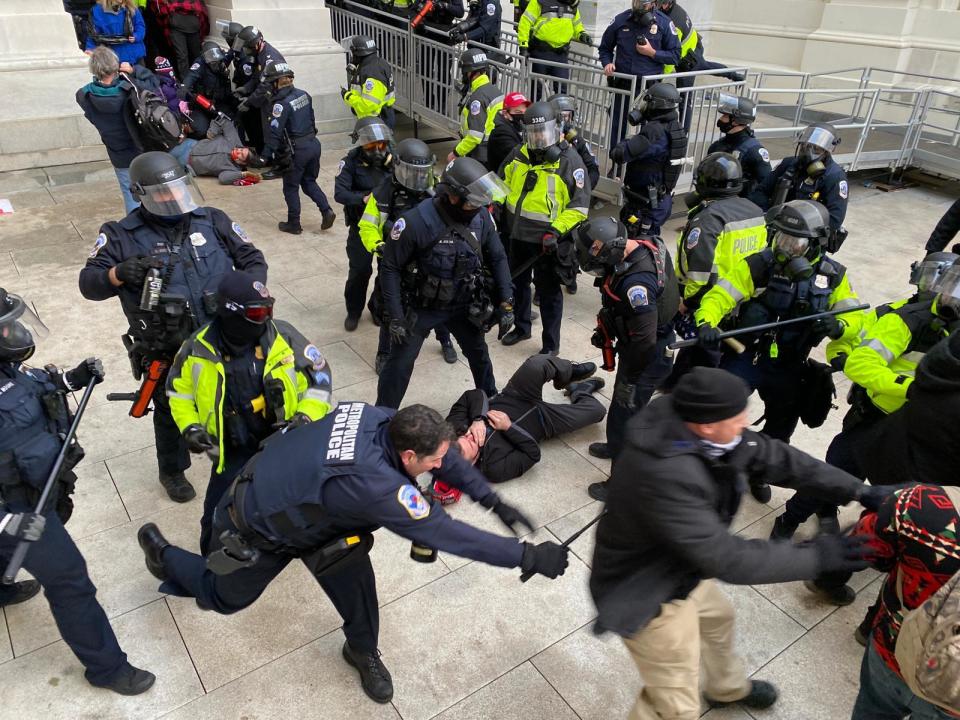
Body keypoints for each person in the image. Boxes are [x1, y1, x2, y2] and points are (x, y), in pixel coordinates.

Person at [137, 403, 569, 703]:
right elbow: (446, 533)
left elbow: (444, 455)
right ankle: (164, 555)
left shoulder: (381, 418)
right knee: (223, 597)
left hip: (322, 517)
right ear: (407, 455)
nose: (440, 465)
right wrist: (526, 556)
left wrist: (491, 501)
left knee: (358, 588)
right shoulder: (378, 487)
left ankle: (361, 651)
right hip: (259, 524)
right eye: (431, 460)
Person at [589, 366, 888, 720]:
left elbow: (777, 457)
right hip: (644, 589)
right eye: (737, 415)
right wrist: (819, 556)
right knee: (674, 705)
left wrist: (858, 490)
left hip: (680, 566)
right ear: (706, 426)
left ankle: (726, 689)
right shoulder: (662, 474)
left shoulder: (710, 432)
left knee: (719, 620)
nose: (745, 420)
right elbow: (727, 558)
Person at [79, 151, 268, 503]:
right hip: (168, 343)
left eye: (177, 189)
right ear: (141, 194)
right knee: (170, 411)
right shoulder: (120, 235)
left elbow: (252, 259)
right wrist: (116, 274)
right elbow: (88, 284)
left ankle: (240, 454)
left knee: (236, 396)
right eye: (162, 193)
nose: (172, 198)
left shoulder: (211, 219)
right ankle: (172, 469)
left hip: (222, 336)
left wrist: (251, 298)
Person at [0, 289, 155, 695]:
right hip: (17, 507)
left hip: (38, 486)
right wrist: (8, 520)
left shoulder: (8, 369)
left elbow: (34, 389)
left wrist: (72, 379)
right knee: (70, 580)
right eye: (5, 328)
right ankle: (107, 668)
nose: (15, 332)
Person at [166, 271, 335, 553]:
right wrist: (190, 427)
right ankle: (210, 563)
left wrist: (306, 416)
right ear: (230, 313)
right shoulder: (196, 349)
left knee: (297, 505)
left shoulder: (286, 337)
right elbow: (178, 393)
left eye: (269, 309)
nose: (266, 319)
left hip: (284, 442)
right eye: (257, 313)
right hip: (233, 450)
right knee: (217, 514)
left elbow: (321, 380)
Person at [694, 200, 864, 444]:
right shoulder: (759, 265)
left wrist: (839, 327)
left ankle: (759, 475)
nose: (785, 249)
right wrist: (706, 323)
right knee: (716, 408)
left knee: (781, 428)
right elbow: (719, 296)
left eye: (796, 243)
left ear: (816, 243)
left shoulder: (834, 277)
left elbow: (855, 316)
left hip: (791, 364)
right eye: (782, 239)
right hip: (748, 355)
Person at [375, 157, 515, 409]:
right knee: (399, 364)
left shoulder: (482, 218)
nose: (478, 206)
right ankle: (381, 415)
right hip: (421, 307)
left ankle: (492, 403)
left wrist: (506, 301)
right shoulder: (415, 221)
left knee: (479, 355)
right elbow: (390, 268)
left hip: (463, 304)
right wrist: (395, 316)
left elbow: (497, 257)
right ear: (452, 196)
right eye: (473, 200)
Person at [573, 218, 680, 486]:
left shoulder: (637, 285)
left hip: (648, 355)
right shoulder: (643, 244)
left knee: (626, 414)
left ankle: (621, 480)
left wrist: (631, 379)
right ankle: (615, 446)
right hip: (644, 346)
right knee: (621, 411)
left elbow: (644, 340)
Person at [848, 482, 960, 720]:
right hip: (954, 699)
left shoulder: (925, 502)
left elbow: (865, 546)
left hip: (893, 652)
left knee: (872, 710)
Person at [358, 138, 460, 371]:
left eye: (422, 173)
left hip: (428, 258)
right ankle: (384, 352)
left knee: (437, 301)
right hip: (394, 260)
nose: (417, 179)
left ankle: (445, 341)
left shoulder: (435, 189)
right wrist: (378, 246)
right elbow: (367, 226)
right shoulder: (384, 193)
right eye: (412, 172)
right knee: (388, 305)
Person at [667, 152, 767, 388]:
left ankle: (684, 394)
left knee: (699, 360)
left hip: (709, 304)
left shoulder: (709, 220)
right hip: (741, 301)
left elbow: (700, 275)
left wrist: (686, 304)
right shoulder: (755, 211)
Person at [499, 102, 590, 354]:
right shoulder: (518, 154)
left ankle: (551, 345)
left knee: (549, 295)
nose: (538, 138)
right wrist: (494, 206)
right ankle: (521, 327)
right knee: (517, 285)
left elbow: (579, 207)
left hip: (549, 243)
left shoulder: (570, 161)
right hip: (518, 236)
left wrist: (556, 232)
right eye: (533, 133)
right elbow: (501, 183)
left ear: (555, 129)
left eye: (543, 132)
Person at [446, 355, 605, 485]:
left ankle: (568, 372)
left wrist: (478, 419)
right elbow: (532, 454)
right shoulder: (493, 469)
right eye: (472, 444)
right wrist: (509, 428)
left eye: (465, 437)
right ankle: (580, 391)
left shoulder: (452, 429)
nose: (471, 436)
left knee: (536, 364)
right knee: (597, 411)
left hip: (515, 394)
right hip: (544, 421)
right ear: (472, 463)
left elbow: (474, 395)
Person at [258, 61, 338, 235]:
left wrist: (264, 156)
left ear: (276, 83)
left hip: (297, 150)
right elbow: (312, 120)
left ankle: (294, 224)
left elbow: (275, 134)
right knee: (309, 181)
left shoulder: (281, 105)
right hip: (313, 145)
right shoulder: (304, 95)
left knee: (290, 187)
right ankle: (326, 210)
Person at [334, 117, 394, 331]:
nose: (377, 150)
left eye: (381, 144)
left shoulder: (393, 160)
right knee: (359, 271)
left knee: (387, 271)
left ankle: (378, 307)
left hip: (388, 228)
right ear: (360, 143)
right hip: (361, 226)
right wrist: (364, 198)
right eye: (370, 145)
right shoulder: (349, 162)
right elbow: (339, 193)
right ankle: (354, 310)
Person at [750, 122, 849, 245]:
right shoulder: (788, 164)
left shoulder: (834, 177)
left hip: (805, 238)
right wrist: (770, 215)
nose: (809, 152)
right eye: (805, 146)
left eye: (816, 149)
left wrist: (795, 225)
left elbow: (834, 220)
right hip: (774, 227)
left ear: (827, 151)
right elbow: (760, 192)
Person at [599, 0, 680, 149]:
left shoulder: (664, 22)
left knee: (649, 129)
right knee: (618, 126)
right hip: (624, 84)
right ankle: (616, 164)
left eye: (644, 3)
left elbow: (675, 56)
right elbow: (604, 48)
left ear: (653, 3)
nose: (639, 6)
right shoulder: (620, 20)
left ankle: (640, 163)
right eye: (636, 2)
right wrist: (607, 63)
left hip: (649, 89)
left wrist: (653, 53)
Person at [76, 47, 146, 214]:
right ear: (115, 66)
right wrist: (134, 71)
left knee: (130, 194)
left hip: (116, 148)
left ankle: (135, 229)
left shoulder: (84, 95)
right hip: (140, 146)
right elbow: (154, 85)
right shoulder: (129, 88)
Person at [611, 82, 687, 236]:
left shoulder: (655, 132)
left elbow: (619, 154)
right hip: (659, 200)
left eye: (647, 101)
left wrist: (629, 138)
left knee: (635, 249)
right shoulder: (674, 126)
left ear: (655, 105)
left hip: (645, 206)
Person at [233, 26, 286, 160]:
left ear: (256, 44)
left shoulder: (270, 57)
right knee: (268, 132)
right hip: (269, 99)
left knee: (275, 132)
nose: (246, 51)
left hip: (276, 99)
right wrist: (246, 88)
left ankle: (281, 163)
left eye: (247, 47)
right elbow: (258, 77)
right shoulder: (260, 54)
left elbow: (266, 86)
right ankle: (272, 160)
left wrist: (249, 101)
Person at [706, 94, 771, 200]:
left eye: (725, 116)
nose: (721, 119)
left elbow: (766, 185)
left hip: (740, 207)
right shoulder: (717, 146)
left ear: (736, 120)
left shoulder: (754, 151)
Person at [517, 0, 588, 97]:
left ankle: (560, 112)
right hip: (541, 52)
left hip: (561, 55)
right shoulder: (540, 1)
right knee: (536, 90)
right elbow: (525, 22)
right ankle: (533, 111)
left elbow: (577, 25)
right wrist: (523, 46)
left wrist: (582, 35)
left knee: (562, 91)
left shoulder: (572, 5)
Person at [448, 50, 504, 167]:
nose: (463, 75)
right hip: (495, 150)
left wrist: (456, 152)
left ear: (471, 72)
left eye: (464, 72)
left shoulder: (477, 98)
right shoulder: (494, 90)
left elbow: (475, 135)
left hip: (481, 155)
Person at [178, 114, 259, 185]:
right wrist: (212, 132)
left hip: (188, 165)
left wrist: (243, 174)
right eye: (241, 150)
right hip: (190, 146)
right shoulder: (235, 142)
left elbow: (223, 178)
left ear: (243, 162)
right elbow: (223, 121)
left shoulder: (233, 169)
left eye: (242, 155)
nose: (239, 151)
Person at [341, 36, 397, 129]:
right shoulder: (375, 63)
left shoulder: (372, 72)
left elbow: (368, 105)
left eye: (353, 53)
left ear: (358, 53)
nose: (352, 56)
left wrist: (348, 97)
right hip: (379, 117)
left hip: (377, 120)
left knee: (380, 144)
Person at [180, 43, 237, 137]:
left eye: (217, 62)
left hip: (220, 103)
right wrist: (184, 89)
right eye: (213, 63)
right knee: (201, 129)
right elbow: (189, 78)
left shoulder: (221, 59)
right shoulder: (200, 64)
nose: (216, 65)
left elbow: (232, 52)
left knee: (233, 123)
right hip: (203, 104)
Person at [151, 0, 209, 81]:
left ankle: (199, 82)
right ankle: (186, 84)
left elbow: (200, 8)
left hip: (192, 25)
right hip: (176, 27)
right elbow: (160, 10)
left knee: (195, 56)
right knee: (182, 57)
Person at [86, 0, 147, 67]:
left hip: (136, 55)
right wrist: (90, 49)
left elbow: (140, 25)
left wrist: (136, 36)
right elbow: (94, 35)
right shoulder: (97, 11)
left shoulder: (131, 7)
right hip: (113, 59)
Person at [486, 91, 530, 175]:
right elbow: (519, 156)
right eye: (518, 112)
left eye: (525, 112)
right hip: (502, 180)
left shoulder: (518, 127)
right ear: (505, 113)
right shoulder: (500, 133)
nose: (523, 116)